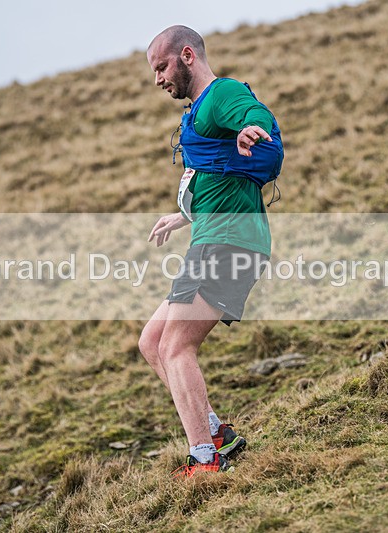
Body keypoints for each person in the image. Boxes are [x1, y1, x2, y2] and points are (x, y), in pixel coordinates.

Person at [138, 25, 283, 478]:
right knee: (152, 343)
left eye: (161, 67)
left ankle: (205, 459)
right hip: (213, 237)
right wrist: (183, 215)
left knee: (177, 346)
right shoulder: (199, 111)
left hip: (228, 241)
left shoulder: (220, 95)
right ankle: (217, 433)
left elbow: (257, 120)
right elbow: (217, 172)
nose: (158, 79)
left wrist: (252, 131)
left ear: (186, 56)